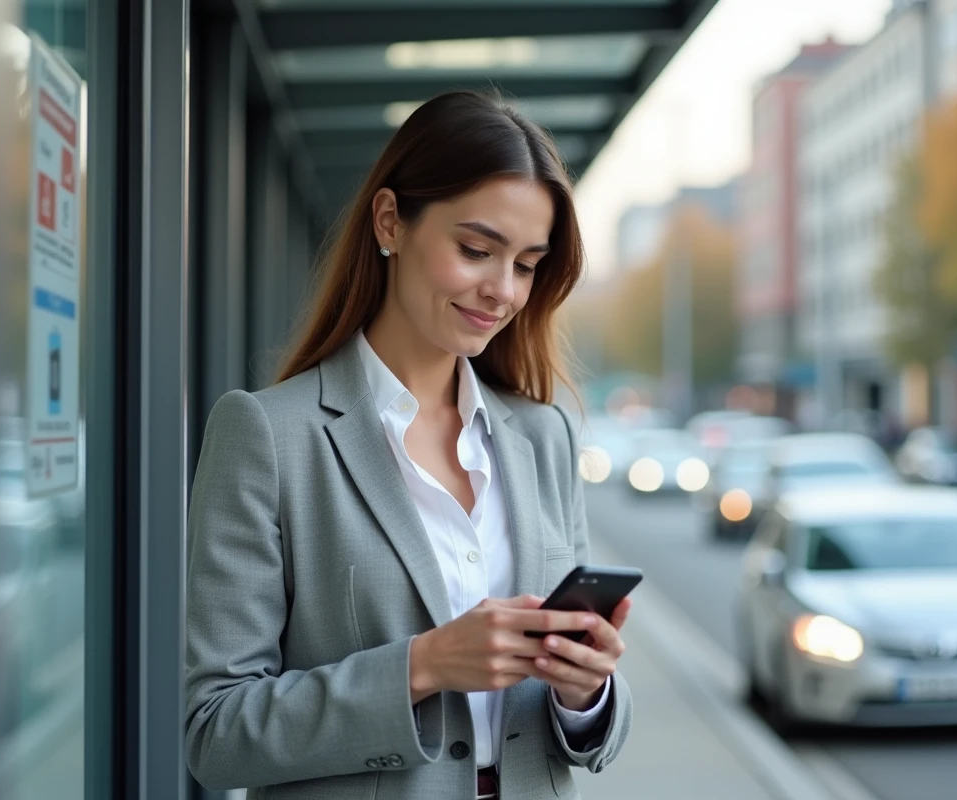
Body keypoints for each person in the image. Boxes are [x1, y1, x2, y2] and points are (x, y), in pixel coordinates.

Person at [185, 91, 633, 800]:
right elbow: (215, 732)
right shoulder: (268, 436)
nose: (503, 291)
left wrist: (586, 694)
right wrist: (423, 665)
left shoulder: (543, 435)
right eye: (477, 250)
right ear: (390, 221)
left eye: (527, 264)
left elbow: (582, 730)